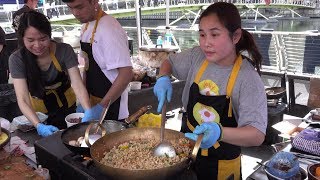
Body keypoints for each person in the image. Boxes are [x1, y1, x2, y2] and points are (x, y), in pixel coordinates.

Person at [153, 2, 267, 180]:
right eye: (202, 34)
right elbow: (169, 62)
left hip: (221, 165)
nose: (206, 43)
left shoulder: (248, 78)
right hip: (185, 152)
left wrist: (219, 132)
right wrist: (163, 77)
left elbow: (257, 134)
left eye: (214, 34)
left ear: (235, 36)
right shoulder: (197, 56)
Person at [9, 11, 93, 137]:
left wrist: (88, 110)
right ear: (22, 38)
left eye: (43, 39)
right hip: (39, 114)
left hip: (67, 107)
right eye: (30, 40)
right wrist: (38, 125)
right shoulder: (16, 59)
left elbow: (77, 83)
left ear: (49, 35)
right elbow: (23, 98)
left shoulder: (64, 51)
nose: (37, 45)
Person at [61, 0, 133, 122]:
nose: (75, 13)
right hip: (93, 99)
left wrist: (102, 106)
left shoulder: (109, 28)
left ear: (94, 2)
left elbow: (126, 73)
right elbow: (87, 67)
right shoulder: (86, 25)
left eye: (79, 7)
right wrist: (85, 101)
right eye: (70, 8)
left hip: (112, 105)